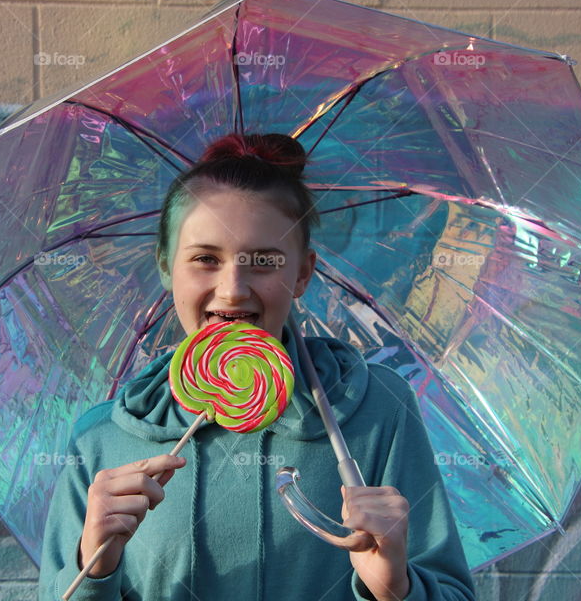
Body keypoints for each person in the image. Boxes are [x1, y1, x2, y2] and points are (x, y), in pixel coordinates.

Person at [39, 133, 477, 601]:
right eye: (205, 259)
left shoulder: (376, 411)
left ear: (303, 273)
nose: (232, 289)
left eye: (264, 261)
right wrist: (95, 563)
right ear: (166, 265)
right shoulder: (103, 438)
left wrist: (396, 588)